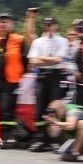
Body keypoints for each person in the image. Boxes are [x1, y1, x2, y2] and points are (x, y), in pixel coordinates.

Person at [27, 16, 69, 152]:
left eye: (52, 24)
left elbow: (58, 60)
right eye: (47, 25)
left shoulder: (63, 41)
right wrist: (48, 59)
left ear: (56, 25)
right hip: (42, 76)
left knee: (54, 108)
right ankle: (41, 139)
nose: (49, 27)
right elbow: (33, 61)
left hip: (56, 76)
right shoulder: (38, 41)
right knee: (40, 108)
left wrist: (42, 58)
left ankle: (54, 140)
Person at [0, 13, 29, 120]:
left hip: (14, 82)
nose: (2, 25)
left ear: (12, 23)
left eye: (5, 22)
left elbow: (26, 61)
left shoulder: (20, 40)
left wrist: (21, 78)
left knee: (9, 110)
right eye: (0, 22)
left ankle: (11, 129)